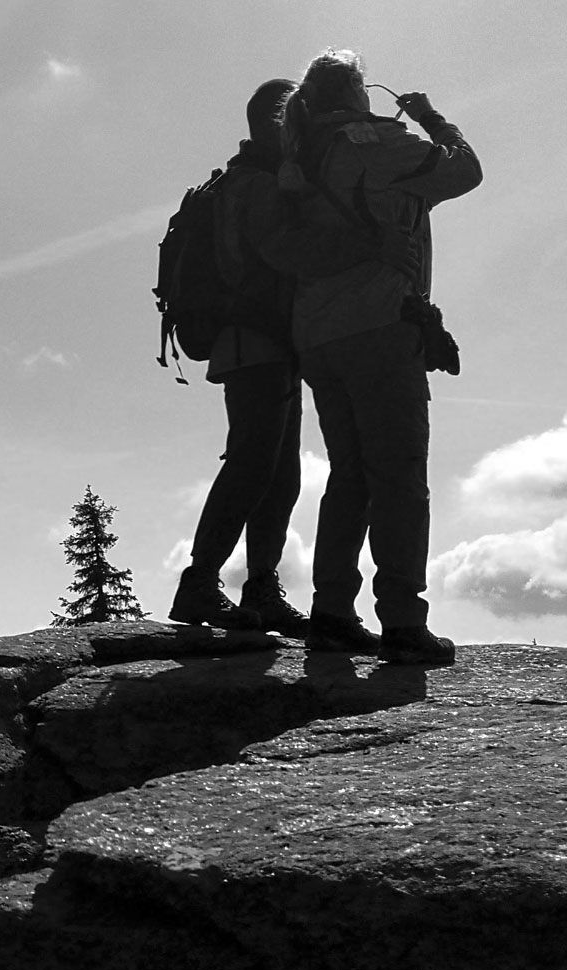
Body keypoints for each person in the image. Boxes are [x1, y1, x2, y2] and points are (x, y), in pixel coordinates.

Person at [169, 78, 408, 635]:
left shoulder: (240, 181)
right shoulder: (259, 187)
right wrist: (371, 246)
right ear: (279, 123)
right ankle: (201, 582)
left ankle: (259, 588)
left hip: (260, 339)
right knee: (257, 459)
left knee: (279, 469)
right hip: (256, 336)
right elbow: (287, 251)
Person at [278, 49, 481, 664]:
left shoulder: (300, 153)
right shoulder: (375, 140)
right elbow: (463, 173)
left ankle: (333, 612)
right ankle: (401, 620)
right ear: (356, 92)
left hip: (316, 333)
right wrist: (433, 118)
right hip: (377, 324)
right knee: (397, 476)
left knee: (351, 475)